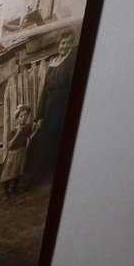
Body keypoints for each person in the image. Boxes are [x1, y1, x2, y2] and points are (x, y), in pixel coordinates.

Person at [32, 30, 77, 179]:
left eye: (69, 43)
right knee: (46, 141)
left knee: (59, 139)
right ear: (59, 44)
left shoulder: (71, 62)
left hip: (62, 107)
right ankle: (43, 174)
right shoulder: (52, 64)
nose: (66, 46)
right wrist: (39, 116)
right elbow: (44, 91)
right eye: (63, 43)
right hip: (49, 108)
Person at [0, 104, 36, 198]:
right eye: (21, 116)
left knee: (19, 172)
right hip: (13, 154)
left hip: (22, 152)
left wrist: (36, 130)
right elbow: (10, 144)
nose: (24, 117)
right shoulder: (13, 131)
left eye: (25, 115)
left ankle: (14, 189)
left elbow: (29, 137)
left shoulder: (27, 127)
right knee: (9, 173)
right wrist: (17, 133)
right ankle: (6, 192)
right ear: (17, 119)